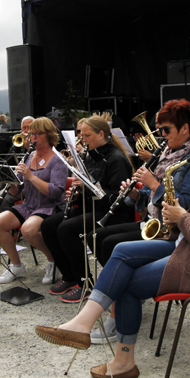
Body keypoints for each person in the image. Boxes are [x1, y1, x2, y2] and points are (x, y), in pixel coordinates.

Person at [34, 111, 190, 378]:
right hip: (186, 245)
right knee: (121, 251)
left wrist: (181, 216)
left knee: (127, 283)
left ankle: (123, 361)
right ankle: (84, 323)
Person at [93, 99, 190, 269]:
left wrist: (155, 185)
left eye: (166, 129)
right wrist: (134, 194)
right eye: (160, 129)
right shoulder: (168, 152)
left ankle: (124, 287)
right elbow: (148, 196)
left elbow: (185, 204)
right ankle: (120, 286)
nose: (162, 134)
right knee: (97, 237)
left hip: (174, 231)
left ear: (185, 128)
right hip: (152, 220)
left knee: (109, 244)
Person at [40, 116, 134, 303]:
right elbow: (89, 191)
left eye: (87, 135)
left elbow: (116, 199)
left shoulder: (116, 159)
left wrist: (87, 187)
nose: (83, 140)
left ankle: (86, 283)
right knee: (48, 225)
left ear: (101, 134)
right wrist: (76, 195)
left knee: (66, 229)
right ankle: (69, 276)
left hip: (112, 213)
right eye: (81, 135)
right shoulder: (90, 155)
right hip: (93, 207)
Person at [0, 117, 69, 284]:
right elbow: (17, 190)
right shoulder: (30, 155)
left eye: (37, 134)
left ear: (48, 135)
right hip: (29, 205)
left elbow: (56, 192)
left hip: (49, 207)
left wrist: (30, 176)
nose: (32, 137)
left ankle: (52, 260)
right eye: (31, 133)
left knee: (28, 229)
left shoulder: (58, 160)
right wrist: (9, 182)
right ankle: (16, 265)